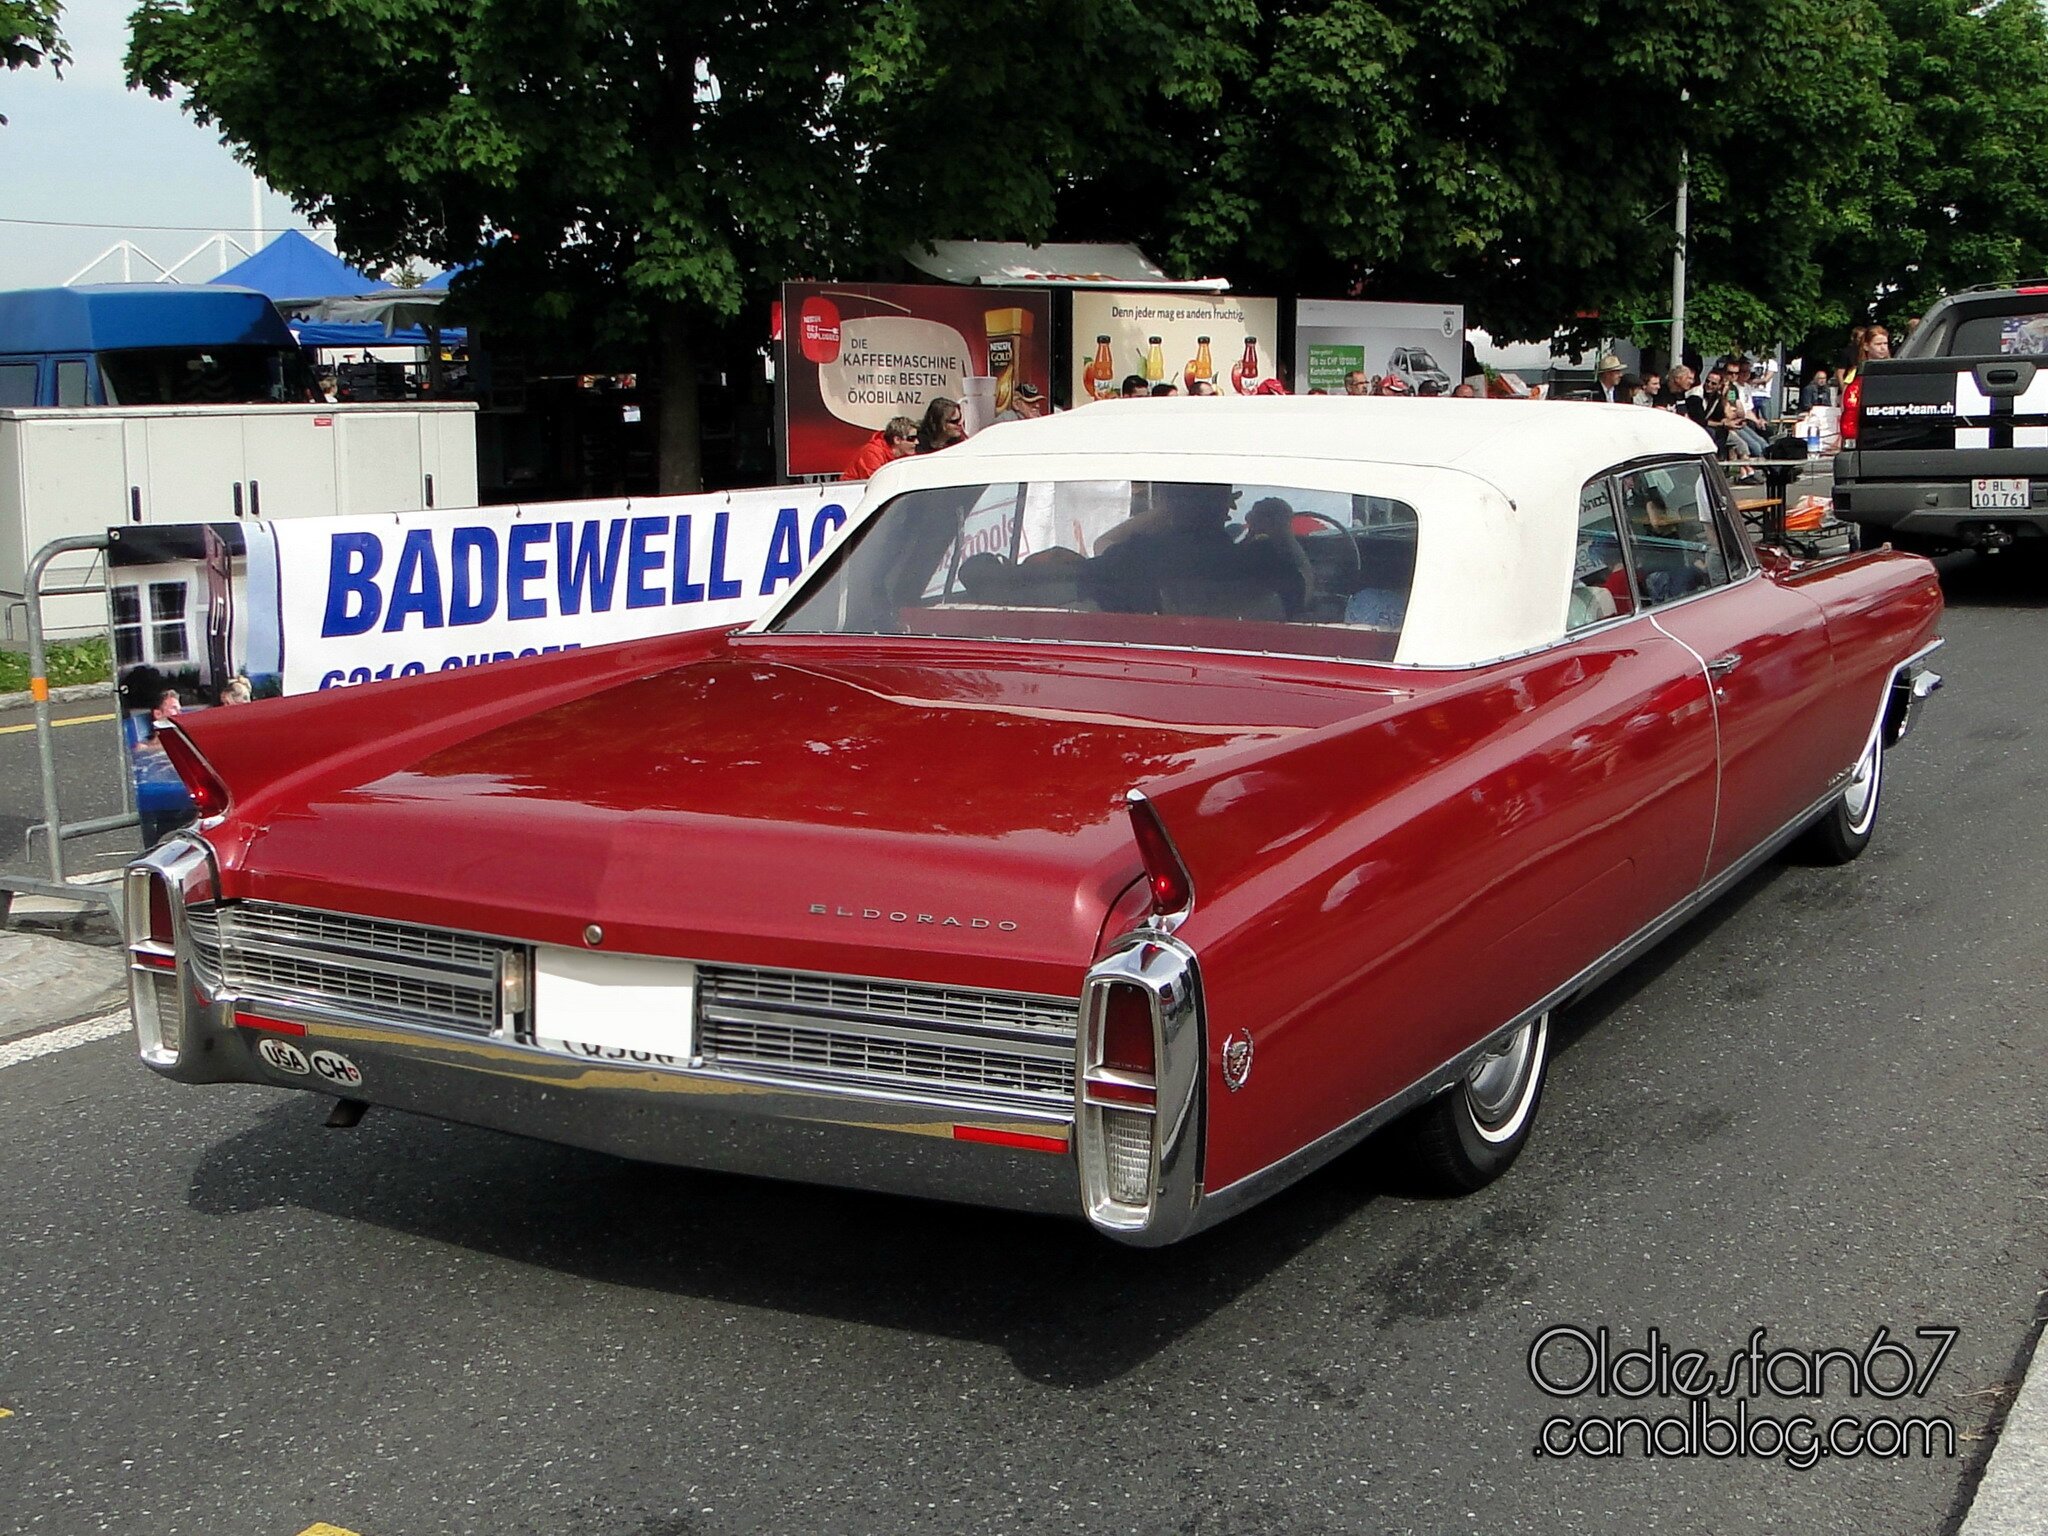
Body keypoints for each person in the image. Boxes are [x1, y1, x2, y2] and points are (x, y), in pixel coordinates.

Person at [1081, 482, 1304, 617]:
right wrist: (1280, 530)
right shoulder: (1263, 562)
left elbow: (1103, 544)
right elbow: (1304, 591)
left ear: (1164, 500)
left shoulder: (1139, 556)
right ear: (1228, 504)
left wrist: (1166, 508)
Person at [841, 415, 918, 480]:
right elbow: (875, 484)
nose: (917, 442)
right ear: (897, 440)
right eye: (911, 438)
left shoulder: (907, 455)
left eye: (917, 438)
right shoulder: (872, 452)